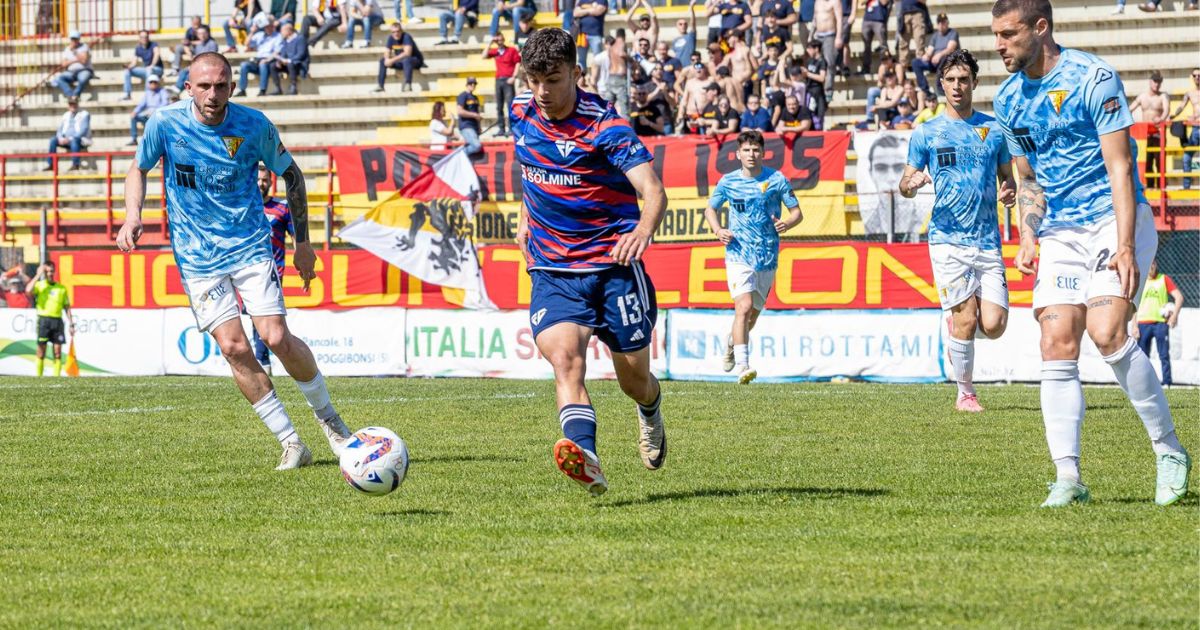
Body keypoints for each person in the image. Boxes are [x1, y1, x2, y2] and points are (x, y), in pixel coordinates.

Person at [991, 0, 1189, 507]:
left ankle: (1169, 449)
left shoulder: (1093, 78)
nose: (999, 46)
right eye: (996, 35)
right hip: (1060, 229)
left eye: (1009, 34)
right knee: (1055, 341)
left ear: (1040, 27)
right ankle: (1069, 478)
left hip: (1113, 218)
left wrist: (1125, 246)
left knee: (1107, 333)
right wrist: (1029, 235)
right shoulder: (1008, 98)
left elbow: (1120, 166)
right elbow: (1028, 179)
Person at [118, 52, 352, 470]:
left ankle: (333, 424)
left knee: (275, 337)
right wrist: (133, 215)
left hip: (249, 245)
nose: (213, 94)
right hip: (197, 257)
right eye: (204, 86)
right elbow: (138, 168)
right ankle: (291, 443)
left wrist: (303, 243)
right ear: (188, 88)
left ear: (232, 87)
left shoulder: (253, 125)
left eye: (221, 85)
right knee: (233, 347)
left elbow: (292, 175)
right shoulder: (164, 123)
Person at [511, 28, 669, 496]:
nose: (542, 91)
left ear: (576, 73)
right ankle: (587, 457)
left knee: (633, 381)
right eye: (534, 80)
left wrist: (641, 232)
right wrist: (524, 216)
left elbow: (653, 191)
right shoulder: (519, 111)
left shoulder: (606, 127)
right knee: (565, 361)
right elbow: (532, 170)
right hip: (553, 270)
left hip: (613, 268)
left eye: (553, 79)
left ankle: (650, 410)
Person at [898, 49, 1016, 411]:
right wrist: (911, 184)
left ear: (975, 83)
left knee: (994, 325)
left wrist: (1009, 190)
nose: (957, 86)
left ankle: (959, 330)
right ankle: (966, 393)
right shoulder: (927, 132)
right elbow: (904, 182)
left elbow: (1009, 177)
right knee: (966, 318)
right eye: (950, 80)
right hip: (947, 239)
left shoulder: (994, 130)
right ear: (941, 85)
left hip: (987, 240)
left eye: (964, 79)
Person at [704, 129, 803, 384]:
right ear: (738, 154)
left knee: (752, 316)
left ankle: (731, 342)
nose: (751, 154)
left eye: (756, 150)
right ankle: (743, 366)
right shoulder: (728, 182)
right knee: (744, 307)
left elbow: (797, 213)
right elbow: (710, 210)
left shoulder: (777, 180)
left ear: (763, 153)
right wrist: (718, 230)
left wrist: (787, 223)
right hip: (738, 253)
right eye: (746, 150)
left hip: (767, 256)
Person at [249, 165, 295, 370]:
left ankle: (262, 359)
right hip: (247, 269)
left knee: (265, 314)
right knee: (254, 314)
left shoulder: (282, 207)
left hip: (273, 271)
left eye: (265, 180)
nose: (261, 183)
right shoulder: (245, 206)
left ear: (270, 182)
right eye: (258, 179)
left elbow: (295, 236)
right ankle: (263, 358)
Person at [1134, 260, 1183, 386]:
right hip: (1143, 323)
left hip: (1160, 323)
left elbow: (1179, 297)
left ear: (1156, 265)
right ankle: (1144, 383)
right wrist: (1134, 325)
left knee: (1164, 355)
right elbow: (1134, 304)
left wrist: (1174, 316)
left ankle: (1167, 382)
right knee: (1142, 357)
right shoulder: (1141, 280)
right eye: (1149, 264)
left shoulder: (1164, 279)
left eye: (1153, 264)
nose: (1151, 266)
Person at [27, 262, 74, 377]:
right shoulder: (40, 285)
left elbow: (67, 307)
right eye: (47, 271)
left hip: (57, 321)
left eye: (51, 271)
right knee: (41, 351)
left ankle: (56, 378)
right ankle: (39, 378)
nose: (49, 274)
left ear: (54, 271)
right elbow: (28, 290)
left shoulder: (61, 288)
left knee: (57, 352)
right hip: (44, 321)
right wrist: (38, 275)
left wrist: (71, 324)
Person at [1130, 70, 1169, 189]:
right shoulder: (1142, 96)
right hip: (1144, 135)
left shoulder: (1163, 96)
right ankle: (1150, 186)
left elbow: (1167, 110)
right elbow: (1130, 109)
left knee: (1159, 160)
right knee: (1147, 161)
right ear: (1150, 82)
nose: (1157, 84)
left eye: (1159, 82)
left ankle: (1161, 187)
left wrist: (1161, 118)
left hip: (1158, 132)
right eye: (1155, 81)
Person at [909, 13, 958, 96]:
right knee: (915, 62)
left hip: (946, 63)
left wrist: (939, 55)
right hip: (934, 62)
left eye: (943, 22)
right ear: (937, 24)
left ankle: (940, 88)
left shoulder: (952, 33)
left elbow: (950, 49)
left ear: (947, 23)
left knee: (945, 58)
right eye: (939, 23)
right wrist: (927, 55)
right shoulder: (935, 35)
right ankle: (925, 89)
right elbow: (930, 49)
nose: (941, 25)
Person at [234, 19, 283, 97]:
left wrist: (266, 60)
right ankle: (242, 90)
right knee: (244, 65)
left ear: (273, 26)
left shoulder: (278, 36)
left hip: (270, 60)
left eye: (269, 26)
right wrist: (252, 32)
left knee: (262, 64)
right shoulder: (259, 35)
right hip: (258, 60)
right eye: (266, 26)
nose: (268, 28)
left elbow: (277, 52)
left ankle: (262, 90)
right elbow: (247, 44)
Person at [486, 33, 521, 137]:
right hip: (498, 80)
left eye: (500, 40)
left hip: (508, 79)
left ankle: (511, 128)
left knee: (510, 105)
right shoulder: (496, 51)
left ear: (504, 39)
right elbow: (484, 55)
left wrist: (514, 76)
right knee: (499, 105)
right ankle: (501, 128)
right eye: (497, 40)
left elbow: (518, 62)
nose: (499, 42)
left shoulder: (511, 50)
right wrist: (490, 43)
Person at [373, 21, 424, 93]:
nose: (396, 34)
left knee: (407, 60)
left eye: (397, 31)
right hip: (402, 62)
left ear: (401, 31)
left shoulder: (406, 37)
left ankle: (408, 85)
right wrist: (387, 59)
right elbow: (387, 51)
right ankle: (380, 85)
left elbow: (407, 53)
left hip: (415, 60)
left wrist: (392, 60)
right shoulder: (391, 38)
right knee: (383, 61)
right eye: (393, 32)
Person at [1171, 69, 1200, 189]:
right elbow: (1181, 106)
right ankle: (1186, 187)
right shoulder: (1190, 93)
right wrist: (1173, 116)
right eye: (1195, 75)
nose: (1197, 77)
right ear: (1192, 77)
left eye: (1199, 75)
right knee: (1186, 157)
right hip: (1195, 128)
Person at [45, 96, 91, 171]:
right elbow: (59, 130)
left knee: (74, 140)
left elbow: (83, 130)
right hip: (66, 140)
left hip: (80, 140)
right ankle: (52, 164)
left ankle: (75, 165)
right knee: (53, 140)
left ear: (78, 104)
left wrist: (69, 139)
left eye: (74, 104)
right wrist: (60, 138)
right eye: (71, 104)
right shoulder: (66, 115)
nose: (72, 106)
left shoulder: (84, 114)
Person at [122, 30, 165, 101]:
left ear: (148, 37)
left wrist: (152, 65)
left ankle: (147, 96)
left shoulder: (154, 44)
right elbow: (134, 62)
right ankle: (127, 94)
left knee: (148, 71)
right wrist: (129, 67)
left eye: (146, 37)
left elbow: (157, 54)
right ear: (139, 38)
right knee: (127, 72)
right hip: (147, 70)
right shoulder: (138, 48)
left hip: (157, 69)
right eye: (142, 37)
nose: (144, 39)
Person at [175, 26, 220, 93]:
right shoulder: (199, 45)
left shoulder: (212, 44)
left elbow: (211, 59)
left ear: (208, 33)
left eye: (204, 33)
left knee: (190, 74)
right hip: (199, 66)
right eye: (200, 33)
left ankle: (179, 89)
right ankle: (178, 88)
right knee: (184, 71)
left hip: (208, 67)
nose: (202, 35)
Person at [52, 31, 93, 99]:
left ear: (78, 39)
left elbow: (84, 61)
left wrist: (74, 52)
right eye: (72, 39)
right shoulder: (67, 49)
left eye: (75, 39)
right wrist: (76, 60)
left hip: (84, 70)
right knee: (59, 78)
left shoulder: (84, 47)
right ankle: (70, 95)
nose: (74, 41)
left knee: (83, 79)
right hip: (71, 72)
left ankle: (76, 95)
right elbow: (63, 64)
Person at [129, 75, 169, 145]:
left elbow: (165, 103)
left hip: (157, 114)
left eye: (155, 82)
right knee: (133, 117)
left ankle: (154, 140)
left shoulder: (162, 91)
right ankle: (134, 139)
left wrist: (156, 111)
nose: (153, 84)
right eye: (151, 82)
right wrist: (135, 111)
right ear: (149, 83)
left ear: (158, 83)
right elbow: (142, 104)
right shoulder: (147, 93)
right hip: (147, 114)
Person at [575, 0, 608, 71]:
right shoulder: (582, 0)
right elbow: (576, 13)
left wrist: (583, 10)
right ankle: (582, 77)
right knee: (581, 60)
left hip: (595, 34)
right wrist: (591, 8)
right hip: (582, 34)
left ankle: (597, 77)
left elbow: (598, 11)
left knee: (598, 59)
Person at [860, 0, 890, 75]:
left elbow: (884, 2)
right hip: (867, 18)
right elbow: (861, 2)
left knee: (883, 45)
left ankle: (886, 68)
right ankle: (866, 68)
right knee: (866, 46)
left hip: (879, 19)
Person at [456, 77, 483, 153]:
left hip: (474, 127)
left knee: (475, 148)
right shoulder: (463, 95)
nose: (473, 85)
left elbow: (477, 113)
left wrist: (479, 126)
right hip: (466, 126)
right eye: (471, 83)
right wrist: (474, 115)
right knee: (476, 146)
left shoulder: (475, 98)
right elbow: (460, 111)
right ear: (467, 84)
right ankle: (458, 155)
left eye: (474, 83)